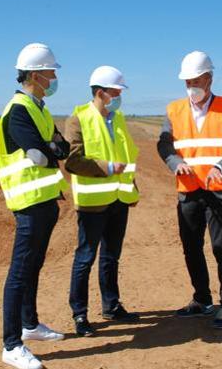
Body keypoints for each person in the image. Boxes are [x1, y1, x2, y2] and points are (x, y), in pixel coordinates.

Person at [0, 42, 70, 369]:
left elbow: (60, 147)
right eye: (51, 72)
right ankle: (11, 345)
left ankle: (30, 325)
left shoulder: (39, 108)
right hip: (27, 203)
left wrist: (50, 148)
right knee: (20, 271)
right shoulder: (18, 110)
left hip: (46, 201)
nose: (54, 77)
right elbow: (40, 155)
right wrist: (50, 149)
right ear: (37, 75)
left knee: (34, 265)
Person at [157, 51, 222, 329]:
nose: (191, 86)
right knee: (191, 247)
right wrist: (175, 162)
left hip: (220, 190)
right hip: (189, 190)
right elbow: (165, 145)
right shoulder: (174, 110)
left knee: (221, 246)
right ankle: (202, 299)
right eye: (187, 81)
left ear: (209, 78)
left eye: (196, 80)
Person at [64, 66, 140, 337]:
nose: (119, 97)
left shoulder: (117, 119)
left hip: (118, 199)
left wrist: (132, 188)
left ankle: (111, 305)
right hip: (93, 203)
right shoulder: (78, 119)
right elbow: (73, 161)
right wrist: (107, 167)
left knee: (111, 257)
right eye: (116, 92)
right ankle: (80, 314)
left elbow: (127, 156)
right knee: (85, 257)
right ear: (101, 93)